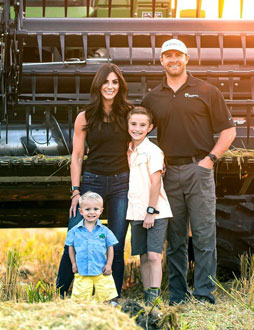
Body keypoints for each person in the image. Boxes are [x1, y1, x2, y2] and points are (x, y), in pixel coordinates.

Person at [142, 39, 237, 305]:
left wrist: (209, 160)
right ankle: (177, 295)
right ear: (161, 61)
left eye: (178, 55)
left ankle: (205, 293)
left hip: (199, 171)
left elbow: (229, 131)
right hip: (168, 173)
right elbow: (138, 130)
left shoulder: (206, 91)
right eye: (167, 55)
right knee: (175, 239)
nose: (173, 60)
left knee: (205, 235)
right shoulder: (153, 97)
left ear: (187, 59)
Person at [56, 63, 133, 298]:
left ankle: (112, 297)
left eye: (115, 82)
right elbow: (77, 156)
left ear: (120, 86)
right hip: (92, 183)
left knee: (116, 245)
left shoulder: (129, 113)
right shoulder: (85, 116)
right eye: (106, 82)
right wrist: (76, 192)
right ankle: (60, 292)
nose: (110, 86)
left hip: (121, 183)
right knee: (76, 239)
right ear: (98, 85)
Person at [126, 106, 172, 305]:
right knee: (143, 257)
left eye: (142, 125)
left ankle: (155, 301)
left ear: (150, 127)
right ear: (127, 125)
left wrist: (151, 212)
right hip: (135, 211)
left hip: (154, 211)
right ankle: (147, 297)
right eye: (133, 124)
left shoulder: (153, 151)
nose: (137, 128)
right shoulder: (130, 150)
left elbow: (156, 182)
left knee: (154, 256)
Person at [67, 192, 119, 303]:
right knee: (80, 299)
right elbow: (70, 247)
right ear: (81, 211)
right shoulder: (74, 231)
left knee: (105, 295)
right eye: (87, 209)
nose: (91, 212)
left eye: (95, 209)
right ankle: (83, 309)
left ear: (101, 211)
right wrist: (73, 263)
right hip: (82, 270)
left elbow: (110, 247)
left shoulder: (105, 231)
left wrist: (109, 264)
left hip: (101, 269)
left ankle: (106, 308)